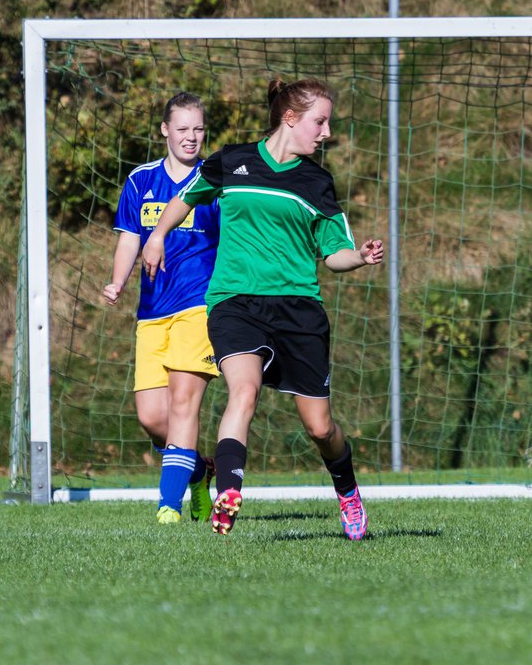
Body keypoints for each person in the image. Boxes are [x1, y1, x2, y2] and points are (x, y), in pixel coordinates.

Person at [141, 78, 384, 540]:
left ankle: (348, 490)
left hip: (299, 311)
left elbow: (333, 255)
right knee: (243, 393)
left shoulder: (317, 181)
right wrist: (156, 236)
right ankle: (228, 492)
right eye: (320, 121)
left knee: (320, 428)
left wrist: (361, 257)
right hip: (235, 302)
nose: (327, 132)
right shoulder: (232, 161)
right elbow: (185, 198)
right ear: (290, 119)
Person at [103, 93, 220, 525]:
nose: (192, 137)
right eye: (183, 129)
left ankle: (167, 507)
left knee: (184, 401)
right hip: (152, 309)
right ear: (165, 131)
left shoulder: (215, 182)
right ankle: (198, 471)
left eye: (199, 129)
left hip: (200, 306)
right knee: (153, 417)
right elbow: (130, 237)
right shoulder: (141, 181)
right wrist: (118, 281)